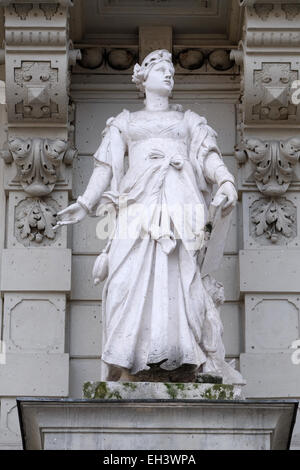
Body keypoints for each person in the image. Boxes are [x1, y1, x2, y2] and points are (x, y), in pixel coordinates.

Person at [56, 49, 243, 384]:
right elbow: (103, 168)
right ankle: (128, 360)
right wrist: (83, 204)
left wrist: (226, 180)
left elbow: (208, 156)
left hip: (179, 210)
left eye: (172, 69)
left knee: (179, 280)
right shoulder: (125, 121)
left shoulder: (189, 121)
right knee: (125, 281)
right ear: (143, 79)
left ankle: (182, 355)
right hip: (136, 212)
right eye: (161, 69)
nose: (169, 74)